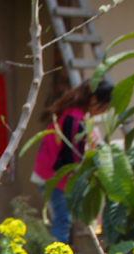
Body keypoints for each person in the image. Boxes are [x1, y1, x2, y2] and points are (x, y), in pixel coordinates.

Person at [32, 79, 114, 243]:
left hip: (54, 175)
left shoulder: (77, 116)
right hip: (53, 177)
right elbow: (73, 158)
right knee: (62, 220)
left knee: (63, 220)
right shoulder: (73, 120)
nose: (102, 112)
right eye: (103, 107)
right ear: (94, 100)